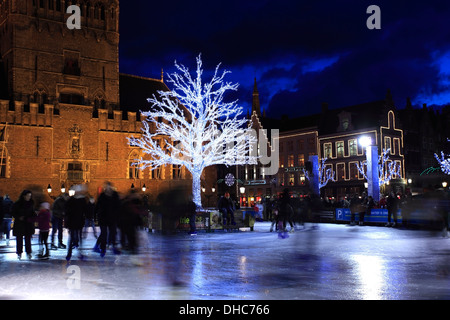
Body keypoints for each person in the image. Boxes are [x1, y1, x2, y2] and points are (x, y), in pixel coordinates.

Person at [94, 182, 121, 257]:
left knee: (113, 233)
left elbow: (118, 206)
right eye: (106, 187)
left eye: (109, 187)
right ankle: (103, 249)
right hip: (103, 218)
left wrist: (118, 216)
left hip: (112, 218)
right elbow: (97, 206)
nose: (108, 189)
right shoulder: (102, 196)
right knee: (104, 234)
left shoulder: (115, 195)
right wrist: (95, 216)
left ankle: (114, 248)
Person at [65, 185, 87, 261]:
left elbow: (85, 211)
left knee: (78, 238)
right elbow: (67, 212)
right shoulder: (77, 200)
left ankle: (76, 253)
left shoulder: (76, 200)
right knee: (73, 238)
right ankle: (70, 253)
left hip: (78, 222)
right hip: (74, 222)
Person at [12, 190, 35, 259]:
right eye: (28, 196)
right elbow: (13, 212)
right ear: (24, 196)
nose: (29, 197)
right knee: (19, 239)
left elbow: (32, 212)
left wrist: (33, 217)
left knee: (28, 239)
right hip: (20, 224)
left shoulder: (31, 203)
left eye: (30, 196)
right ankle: (19, 253)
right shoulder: (17, 204)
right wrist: (19, 217)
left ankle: (28, 252)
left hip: (28, 223)